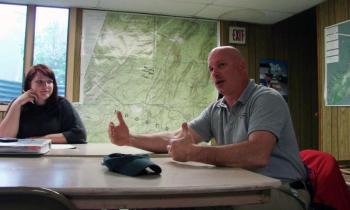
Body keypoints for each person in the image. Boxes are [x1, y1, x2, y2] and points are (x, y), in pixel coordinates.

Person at [108, 46, 310, 210]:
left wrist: (194, 153)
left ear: (242, 67)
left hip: (282, 190)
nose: (215, 73)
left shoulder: (265, 98)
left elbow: (257, 154)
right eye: (211, 69)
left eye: (221, 65)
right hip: (242, 186)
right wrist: (130, 139)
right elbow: (177, 137)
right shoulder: (217, 108)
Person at [0, 64, 86, 144]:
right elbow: (4, 137)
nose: (46, 86)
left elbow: (79, 134)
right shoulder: (18, 103)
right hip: (22, 156)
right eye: (40, 82)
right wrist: (17, 104)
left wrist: (38, 140)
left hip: (55, 156)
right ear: (29, 84)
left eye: (49, 81)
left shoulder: (61, 104)